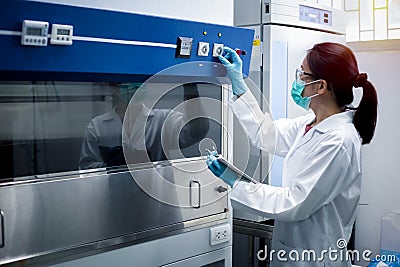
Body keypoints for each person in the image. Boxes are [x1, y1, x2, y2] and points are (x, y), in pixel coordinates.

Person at [207, 44, 378, 266]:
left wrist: (236, 183)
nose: (297, 80)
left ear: (321, 86)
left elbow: (295, 203)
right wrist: (239, 83)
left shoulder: (338, 141)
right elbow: (265, 134)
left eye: (302, 74)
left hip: (315, 257)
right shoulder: (311, 124)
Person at [79, 82, 209, 170]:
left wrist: (191, 90)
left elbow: (197, 130)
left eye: (140, 84)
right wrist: (111, 166)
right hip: (113, 199)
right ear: (113, 88)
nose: (136, 88)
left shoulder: (163, 119)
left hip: (157, 197)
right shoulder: (97, 126)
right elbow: (86, 167)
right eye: (129, 84)